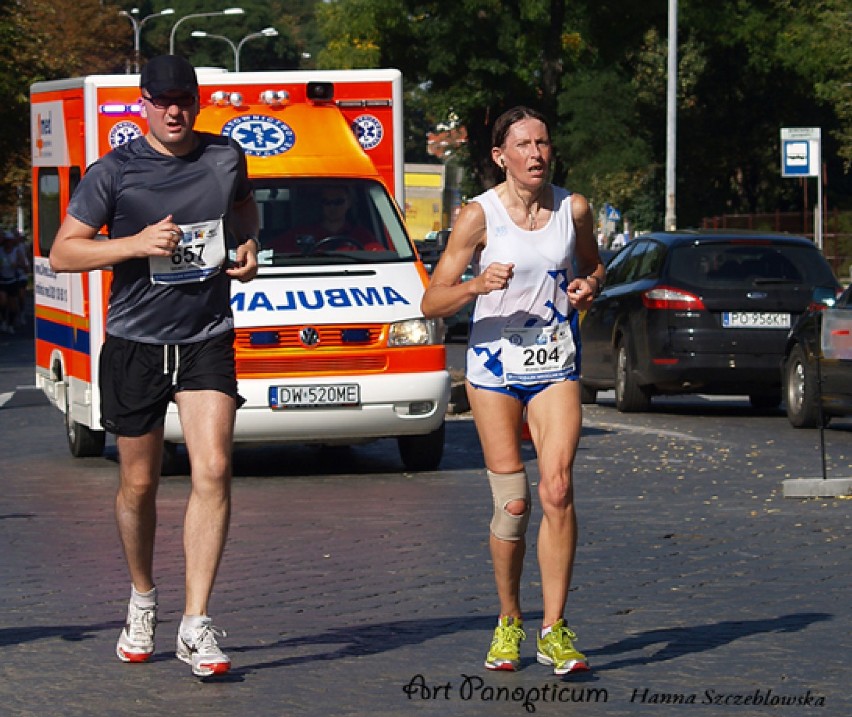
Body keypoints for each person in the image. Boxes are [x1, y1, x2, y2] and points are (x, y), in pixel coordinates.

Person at [49, 55, 260, 678]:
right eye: (162, 100)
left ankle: (196, 623)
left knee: (215, 470)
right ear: (143, 103)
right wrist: (135, 245)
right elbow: (63, 252)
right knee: (139, 486)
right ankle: (143, 598)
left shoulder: (226, 156)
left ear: (198, 101)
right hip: (135, 341)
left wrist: (249, 248)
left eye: (185, 100)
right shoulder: (113, 172)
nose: (175, 111)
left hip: (206, 335)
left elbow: (244, 212)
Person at [421, 106, 603, 675]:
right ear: (501, 157)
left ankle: (555, 627)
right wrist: (476, 284)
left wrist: (587, 287)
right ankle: (508, 620)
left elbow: (597, 269)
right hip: (495, 370)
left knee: (557, 488)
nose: (536, 154)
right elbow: (432, 301)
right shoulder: (479, 217)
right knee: (515, 503)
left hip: (555, 364)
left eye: (543, 143)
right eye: (523, 145)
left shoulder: (573, 209)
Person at [271, 184, 382, 253]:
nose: (332, 207)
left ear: (349, 203)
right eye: (327, 202)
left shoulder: (361, 235)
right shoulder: (301, 233)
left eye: (338, 202)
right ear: (321, 205)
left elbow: (381, 255)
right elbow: (269, 252)